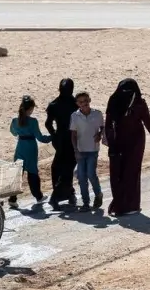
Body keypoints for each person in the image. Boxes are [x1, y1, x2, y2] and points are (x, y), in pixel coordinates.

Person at [104, 78, 150, 217]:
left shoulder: (139, 104)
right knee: (117, 173)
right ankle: (119, 203)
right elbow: (108, 125)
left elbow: (148, 123)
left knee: (131, 172)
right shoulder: (114, 101)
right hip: (119, 141)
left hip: (136, 142)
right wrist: (112, 144)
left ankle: (131, 205)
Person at [9, 95, 51, 204]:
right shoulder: (33, 121)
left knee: (18, 173)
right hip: (31, 148)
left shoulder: (14, 120)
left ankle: (12, 199)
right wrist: (52, 137)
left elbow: (13, 132)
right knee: (32, 172)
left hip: (20, 147)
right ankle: (38, 196)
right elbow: (40, 137)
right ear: (31, 108)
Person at [45, 78, 79, 208]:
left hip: (61, 139)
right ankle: (59, 195)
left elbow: (48, 124)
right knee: (67, 168)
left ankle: (67, 193)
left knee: (58, 167)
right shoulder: (75, 104)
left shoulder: (54, 104)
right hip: (72, 138)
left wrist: (54, 136)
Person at [69, 91, 104, 211]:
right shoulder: (75, 116)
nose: (83, 103)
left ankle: (98, 194)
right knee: (81, 177)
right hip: (80, 150)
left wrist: (100, 134)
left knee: (91, 174)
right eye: (80, 102)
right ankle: (85, 202)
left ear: (89, 100)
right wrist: (75, 150)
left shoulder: (97, 114)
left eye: (85, 101)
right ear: (77, 104)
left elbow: (102, 127)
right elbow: (73, 134)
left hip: (93, 149)